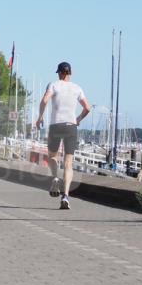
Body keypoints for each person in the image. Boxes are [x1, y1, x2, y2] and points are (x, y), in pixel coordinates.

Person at [35, 62, 90, 210]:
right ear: (70, 73)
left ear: (59, 73)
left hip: (56, 126)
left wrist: (40, 116)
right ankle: (65, 196)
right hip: (71, 126)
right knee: (68, 163)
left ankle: (54, 177)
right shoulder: (77, 88)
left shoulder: (53, 85)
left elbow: (45, 100)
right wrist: (78, 119)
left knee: (52, 157)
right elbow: (87, 108)